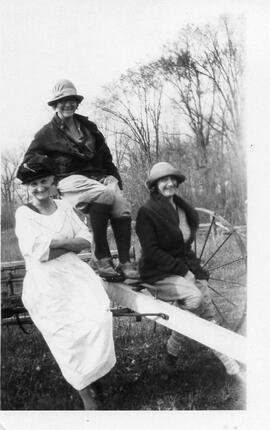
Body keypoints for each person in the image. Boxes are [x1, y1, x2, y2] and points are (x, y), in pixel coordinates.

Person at [15, 155, 116, 410]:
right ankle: (86, 396)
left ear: (53, 181)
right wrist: (63, 244)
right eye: (33, 183)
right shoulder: (24, 214)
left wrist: (56, 244)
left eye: (44, 181)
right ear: (27, 186)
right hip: (45, 283)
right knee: (65, 336)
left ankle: (95, 374)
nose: (40, 188)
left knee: (99, 319)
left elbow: (85, 238)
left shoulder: (65, 207)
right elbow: (36, 251)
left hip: (74, 275)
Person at [21, 79, 138, 280]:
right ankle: (101, 258)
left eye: (72, 100)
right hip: (69, 179)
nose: (68, 104)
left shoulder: (89, 127)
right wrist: (52, 179)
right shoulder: (46, 133)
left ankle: (126, 262)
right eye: (63, 101)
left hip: (99, 176)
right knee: (104, 194)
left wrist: (113, 176)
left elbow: (106, 155)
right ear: (55, 105)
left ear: (77, 102)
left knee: (121, 203)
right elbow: (30, 160)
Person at [135, 161, 241, 376]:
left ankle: (173, 353)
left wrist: (195, 271)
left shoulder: (182, 209)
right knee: (196, 300)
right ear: (154, 185)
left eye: (173, 179)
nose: (170, 183)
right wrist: (183, 271)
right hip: (158, 270)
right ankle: (226, 360)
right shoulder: (147, 212)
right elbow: (152, 252)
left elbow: (183, 247)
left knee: (208, 308)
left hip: (183, 265)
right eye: (164, 180)